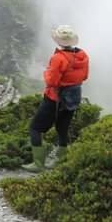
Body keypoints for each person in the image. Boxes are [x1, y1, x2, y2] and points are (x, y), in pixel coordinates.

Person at [22, 25, 89, 172]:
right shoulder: (83, 56)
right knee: (62, 128)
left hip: (55, 98)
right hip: (73, 98)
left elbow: (52, 81)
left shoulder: (58, 58)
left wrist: (46, 72)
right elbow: (84, 76)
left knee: (35, 128)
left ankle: (38, 163)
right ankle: (59, 159)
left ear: (59, 41)